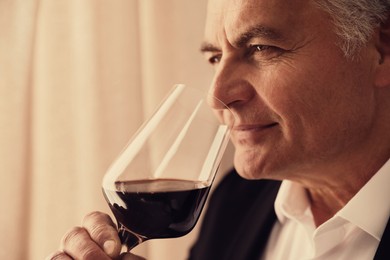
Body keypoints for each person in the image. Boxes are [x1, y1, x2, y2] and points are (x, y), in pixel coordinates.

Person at [47, 0, 390, 259]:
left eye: (261, 48)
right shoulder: (234, 202)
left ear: (382, 51)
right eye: (214, 58)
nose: (217, 96)